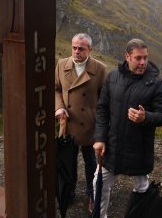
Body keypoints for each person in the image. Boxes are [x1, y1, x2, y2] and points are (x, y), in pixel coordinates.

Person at [93, 38, 162, 218]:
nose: (143, 62)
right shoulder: (112, 77)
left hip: (139, 148)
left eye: (145, 58)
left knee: (142, 188)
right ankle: (100, 216)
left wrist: (146, 117)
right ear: (127, 56)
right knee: (99, 183)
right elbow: (102, 109)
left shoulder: (156, 83)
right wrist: (99, 138)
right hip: (112, 146)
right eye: (138, 58)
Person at [55, 33, 107, 212]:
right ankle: (67, 193)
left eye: (81, 49)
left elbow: (104, 99)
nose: (76, 51)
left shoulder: (100, 69)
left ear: (89, 50)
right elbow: (56, 89)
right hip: (67, 123)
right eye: (74, 48)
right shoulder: (62, 64)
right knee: (67, 161)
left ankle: (92, 195)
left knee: (91, 163)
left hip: (90, 125)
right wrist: (59, 107)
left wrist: (101, 123)